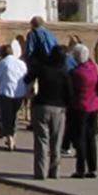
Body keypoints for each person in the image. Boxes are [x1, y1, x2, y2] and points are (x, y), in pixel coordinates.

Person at [30, 45, 72, 179]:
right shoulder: (65, 73)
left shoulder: (43, 69)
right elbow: (70, 93)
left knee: (41, 141)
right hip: (58, 109)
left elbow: (28, 78)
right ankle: (54, 171)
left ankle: (40, 172)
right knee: (56, 142)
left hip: (41, 106)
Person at [68, 43, 98, 179]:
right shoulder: (93, 69)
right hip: (94, 106)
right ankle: (92, 167)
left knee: (80, 139)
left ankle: (80, 169)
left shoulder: (76, 73)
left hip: (80, 108)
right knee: (90, 138)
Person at [0, 42, 29, 150]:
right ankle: (13, 136)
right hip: (19, 92)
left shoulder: (2, 64)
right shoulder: (21, 63)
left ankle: (10, 140)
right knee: (14, 116)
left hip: (5, 92)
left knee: (5, 117)